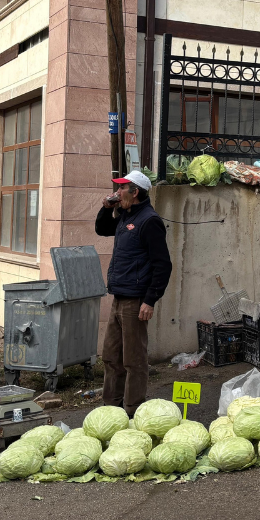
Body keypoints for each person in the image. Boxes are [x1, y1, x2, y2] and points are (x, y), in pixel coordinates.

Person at [94, 170, 172, 417]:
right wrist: (107, 207)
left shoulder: (149, 221)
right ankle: (111, 408)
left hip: (136, 300)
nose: (117, 192)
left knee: (134, 359)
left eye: (122, 188)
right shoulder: (124, 216)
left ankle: (132, 410)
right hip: (119, 296)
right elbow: (101, 229)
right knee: (111, 356)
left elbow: (163, 265)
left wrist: (150, 300)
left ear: (135, 192)